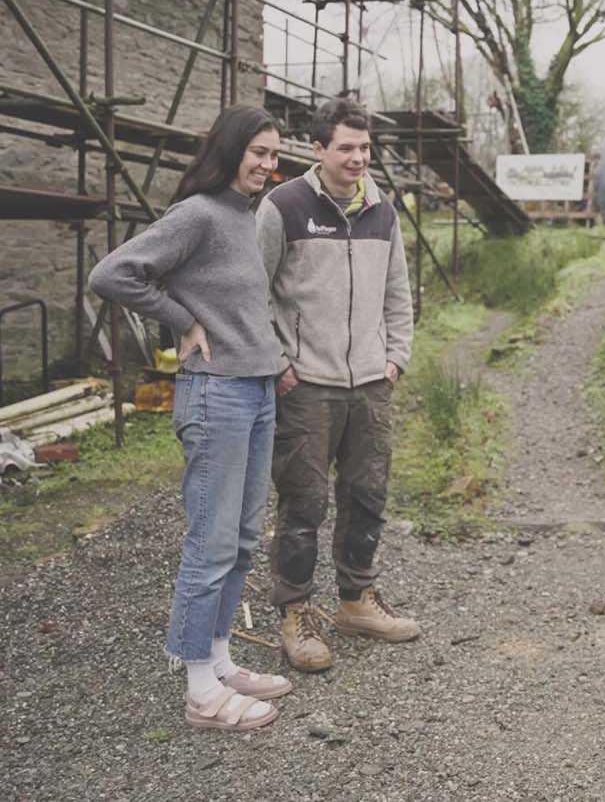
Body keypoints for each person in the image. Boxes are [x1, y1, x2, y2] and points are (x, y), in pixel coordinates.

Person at [89, 105, 291, 731]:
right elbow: (112, 274)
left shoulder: (246, 216)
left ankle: (222, 659)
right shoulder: (198, 213)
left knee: (244, 539)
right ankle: (201, 691)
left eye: (273, 153)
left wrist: (275, 359)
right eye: (258, 151)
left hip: (257, 390)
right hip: (216, 395)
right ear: (229, 150)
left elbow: (244, 303)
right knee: (211, 541)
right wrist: (182, 320)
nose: (268, 163)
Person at [256, 97, 418, 672]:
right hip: (306, 385)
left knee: (367, 496)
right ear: (318, 148)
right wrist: (279, 361)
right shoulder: (284, 206)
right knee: (304, 502)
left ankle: (356, 601)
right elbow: (255, 291)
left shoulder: (383, 211)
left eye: (364, 148)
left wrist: (396, 356)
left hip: (372, 383)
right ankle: (295, 614)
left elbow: (399, 293)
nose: (357, 158)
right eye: (345, 147)